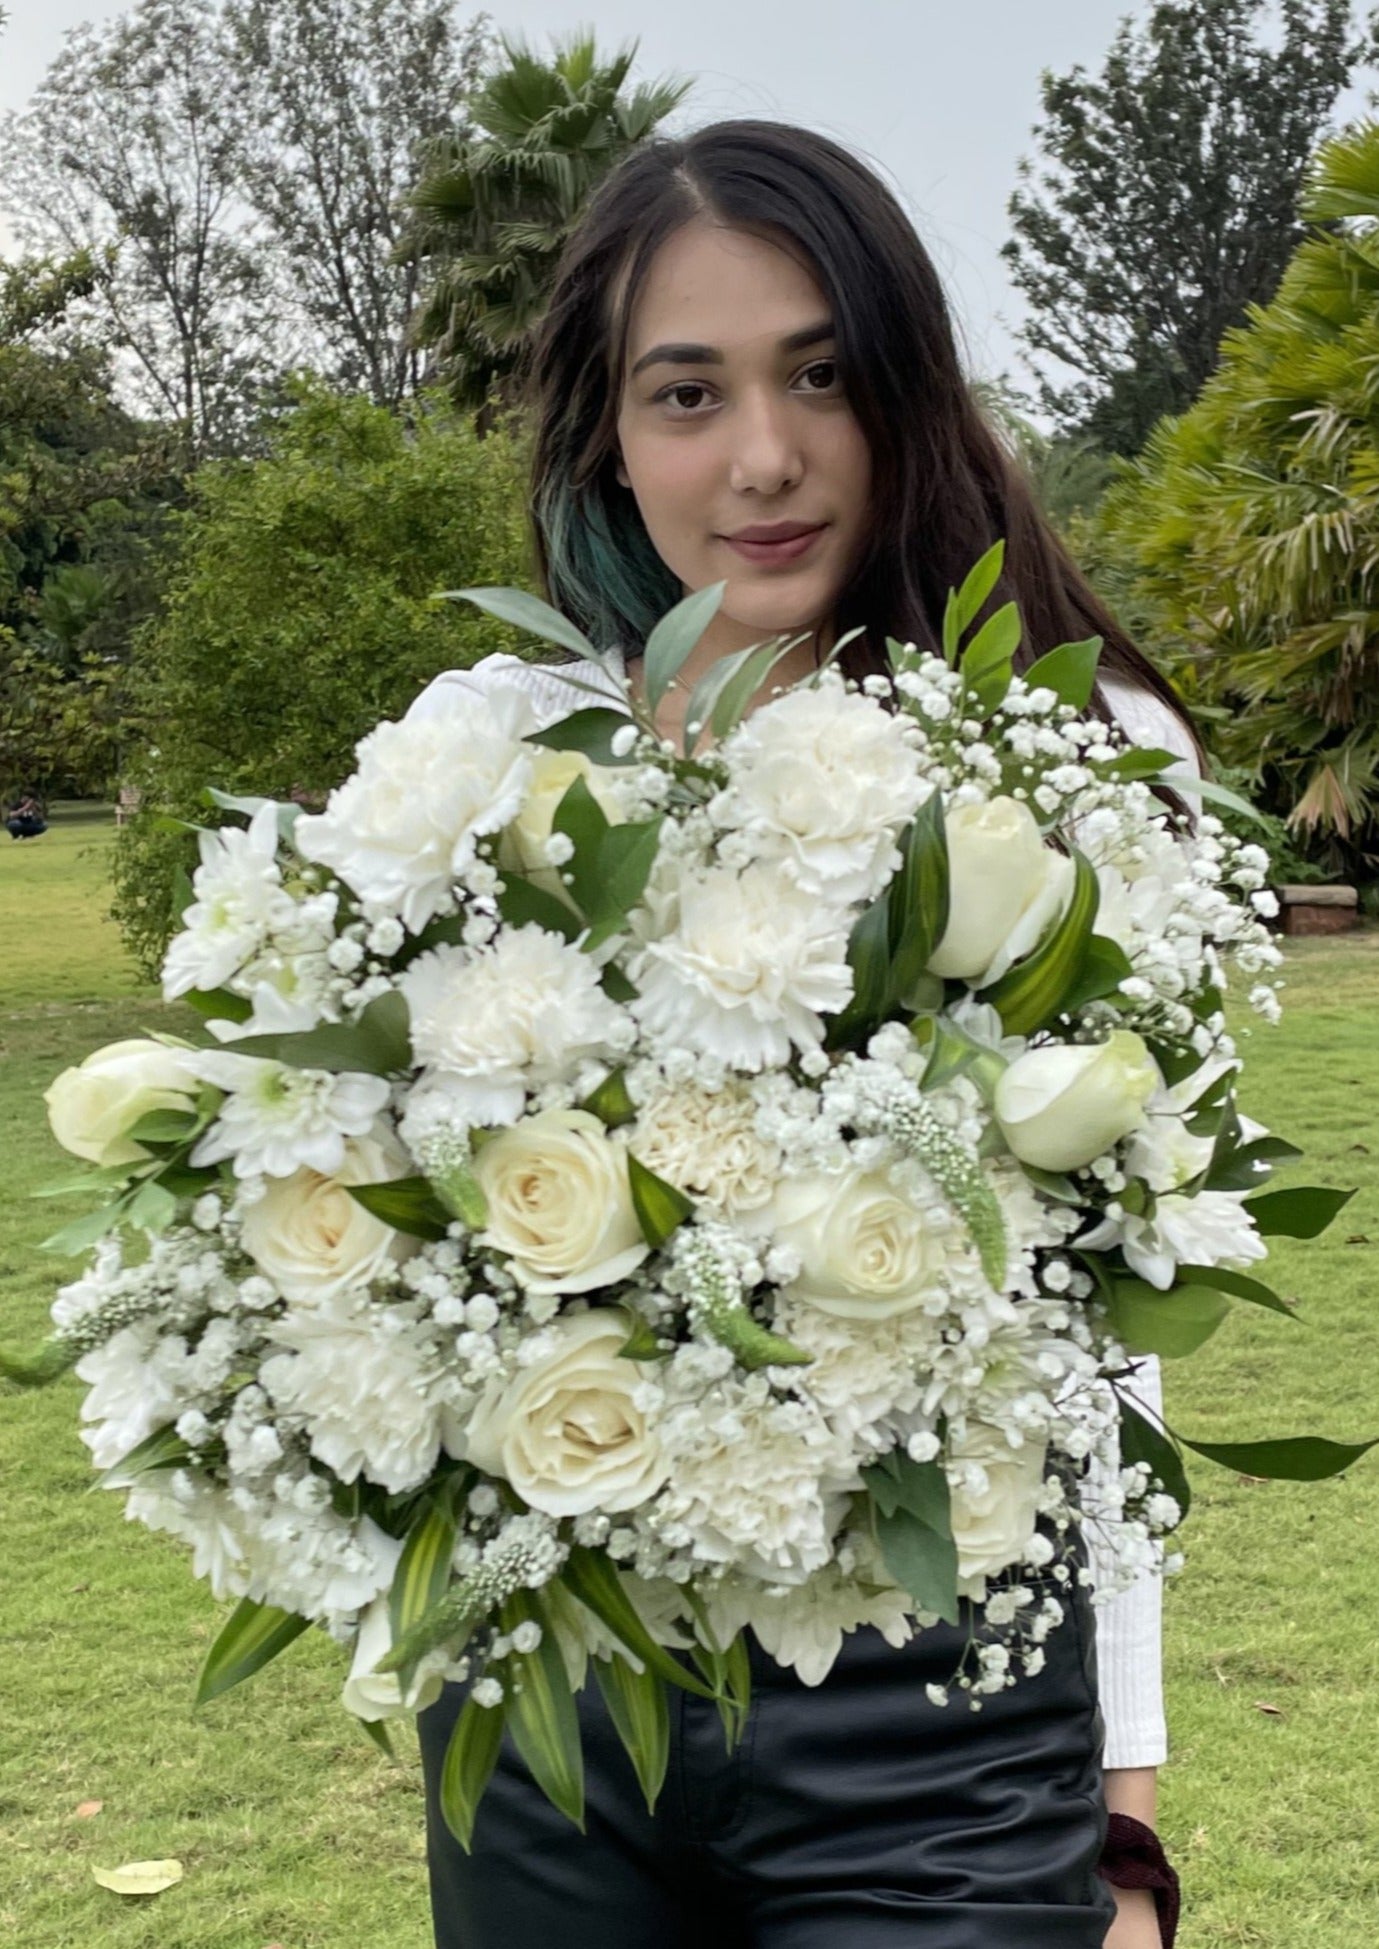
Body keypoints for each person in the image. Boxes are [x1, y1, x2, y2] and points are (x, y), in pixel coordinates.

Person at [412, 120, 1195, 1949]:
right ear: (607, 430)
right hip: (563, 1716)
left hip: (941, 1715)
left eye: (820, 376)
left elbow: (1100, 1341)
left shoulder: (1065, 771)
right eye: (688, 393)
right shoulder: (488, 752)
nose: (762, 457)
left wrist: (1129, 1831)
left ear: (905, 389)